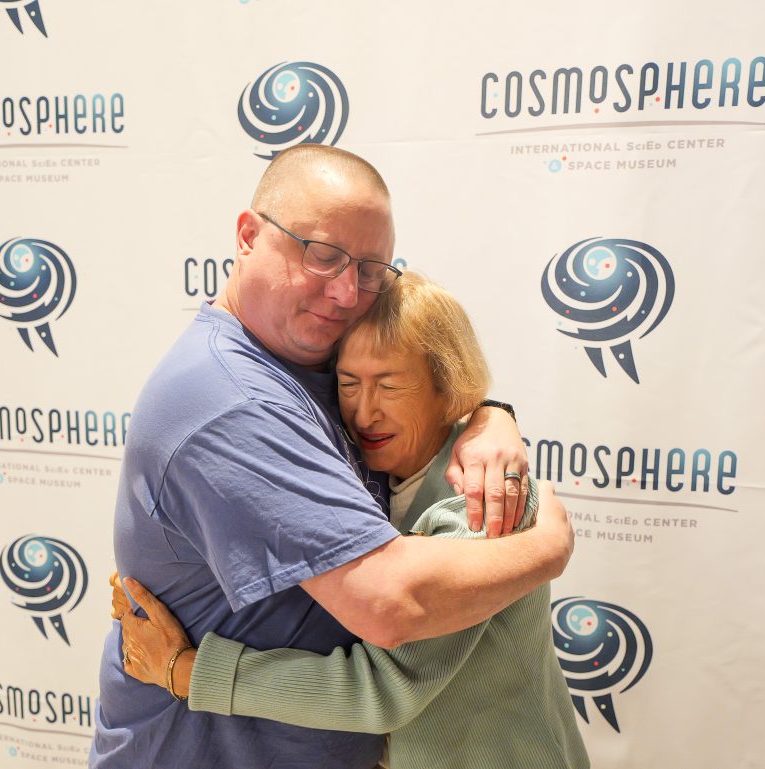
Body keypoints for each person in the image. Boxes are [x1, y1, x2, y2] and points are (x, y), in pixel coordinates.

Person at [90, 145, 575, 769]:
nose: (346, 291)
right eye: (322, 255)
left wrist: (486, 413)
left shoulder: (307, 356)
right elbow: (391, 604)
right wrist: (549, 548)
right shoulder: (233, 400)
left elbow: (424, 362)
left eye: (370, 270)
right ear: (248, 236)